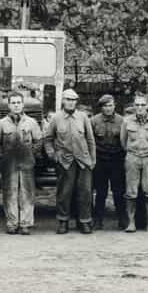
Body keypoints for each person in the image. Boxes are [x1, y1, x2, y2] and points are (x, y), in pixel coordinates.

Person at [0, 91, 43, 235]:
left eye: (18, 102)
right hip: (9, 163)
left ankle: (25, 224)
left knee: (27, 193)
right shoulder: (1, 124)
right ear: (9, 105)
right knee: (9, 192)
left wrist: (33, 154)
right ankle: (12, 223)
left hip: (27, 162)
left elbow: (38, 141)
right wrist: (1, 155)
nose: (16, 105)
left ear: (23, 104)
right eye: (13, 103)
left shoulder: (31, 122)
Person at [43, 88, 96, 234]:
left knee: (85, 192)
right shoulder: (56, 118)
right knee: (64, 192)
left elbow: (90, 140)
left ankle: (84, 221)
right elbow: (48, 139)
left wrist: (92, 160)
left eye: (73, 100)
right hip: (65, 161)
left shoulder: (83, 117)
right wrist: (53, 155)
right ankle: (63, 221)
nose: (71, 103)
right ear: (63, 101)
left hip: (83, 161)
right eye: (68, 99)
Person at [121, 94, 148, 233]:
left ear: (147, 106)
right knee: (131, 192)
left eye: (142, 105)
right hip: (133, 158)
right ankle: (131, 223)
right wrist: (132, 153)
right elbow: (123, 142)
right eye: (137, 105)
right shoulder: (127, 121)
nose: (139, 107)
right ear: (134, 106)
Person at [90, 94, 126, 231]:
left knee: (119, 191)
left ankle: (122, 219)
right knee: (100, 192)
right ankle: (98, 220)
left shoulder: (122, 121)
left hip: (117, 160)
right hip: (100, 160)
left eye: (110, 105)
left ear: (114, 106)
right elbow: (90, 141)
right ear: (101, 107)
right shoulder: (93, 121)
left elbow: (125, 141)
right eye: (105, 106)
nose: (108, 108)